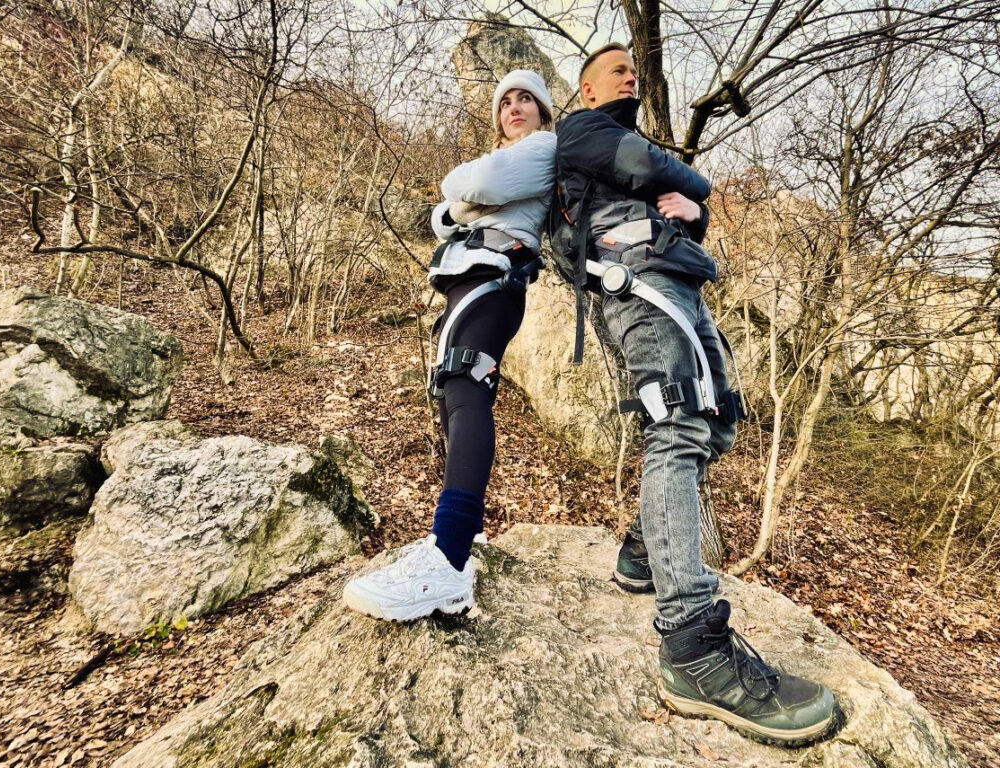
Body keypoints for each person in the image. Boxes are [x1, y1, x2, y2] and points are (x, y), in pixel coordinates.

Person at [553, 43, 838, 745]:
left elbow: (685, 208)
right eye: (616, 70)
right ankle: (693, 652)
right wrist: (693, 187)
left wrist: (691, 206)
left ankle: (643, 554)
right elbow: (668, 178)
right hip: (638, 287)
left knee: (718, 423)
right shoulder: (584, 130)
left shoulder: (615, 140)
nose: (631, 76)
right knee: (677, 427)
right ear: (587, 91)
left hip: (674, 281)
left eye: (631, 70)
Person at [343, 70, 557, 622]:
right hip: (470, 280)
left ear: (544, 110)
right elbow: (443, 219)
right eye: (505, 100)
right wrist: (463, 201)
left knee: (466, 390)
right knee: (452, 395)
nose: (514, 107)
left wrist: (463, 192)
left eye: (526, 98)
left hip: (495, 279)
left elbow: (471, 188)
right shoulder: (511, 159)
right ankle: (467, 535)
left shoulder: (542, 148)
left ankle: (450, 554)